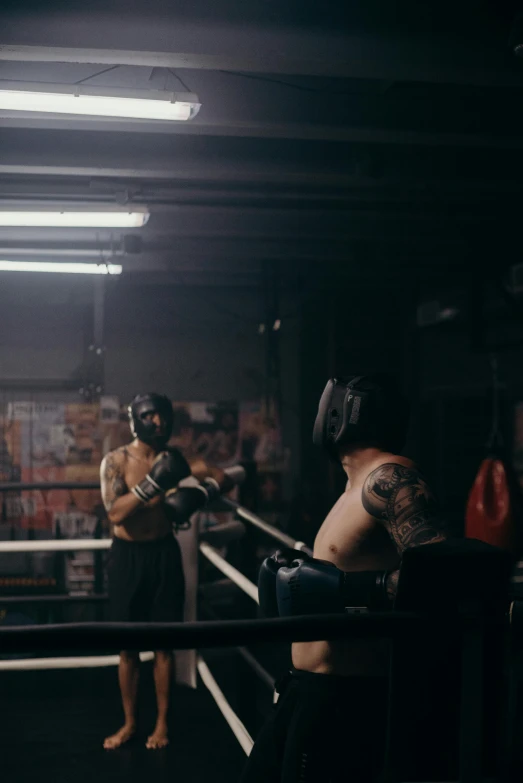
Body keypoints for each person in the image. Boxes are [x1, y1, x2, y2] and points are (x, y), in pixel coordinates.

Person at [241, 374, 448, 782]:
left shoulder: (391, 480)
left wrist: (349, 590)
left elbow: (444, 574)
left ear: (343, 414)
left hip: (346, 699)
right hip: (308, 690)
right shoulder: (355, 485)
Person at [101, 392, 232, 751]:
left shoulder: (174, 460)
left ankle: (161, 724)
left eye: (163, 416)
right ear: (136, 420)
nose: (158, 423)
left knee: (163, 646)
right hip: (128, 557)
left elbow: (222, 475)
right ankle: (129, 723)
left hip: (163, 554)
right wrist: (152, 486)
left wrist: (202, 496)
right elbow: (114, 513)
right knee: (127, 649)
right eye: (150, 416)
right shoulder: (115, 461)